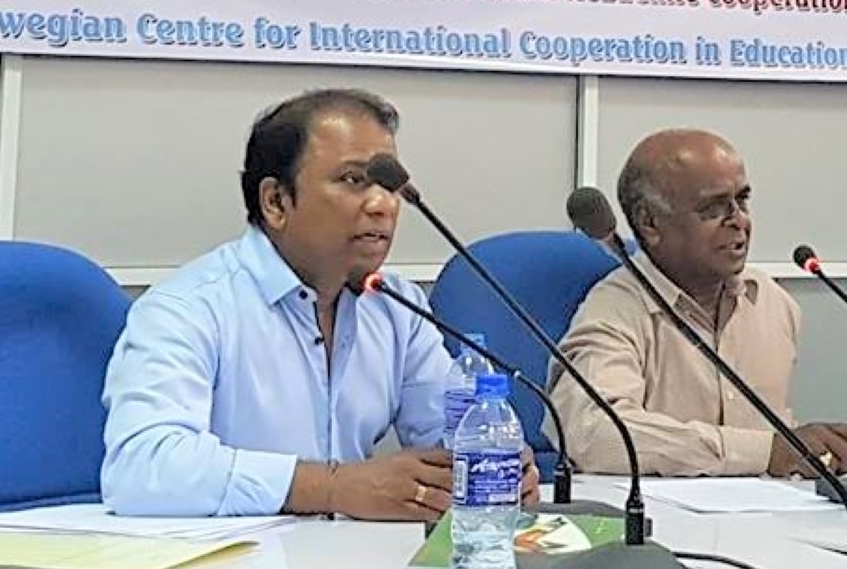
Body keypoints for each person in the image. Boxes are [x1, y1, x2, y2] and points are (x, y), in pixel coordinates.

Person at [100, 89, 537, 518]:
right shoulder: (186, 308)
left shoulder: (398, 307)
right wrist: (330, 487)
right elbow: (142, 468)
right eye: (353, 180)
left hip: (355, 559)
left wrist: (493, 464)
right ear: (276, 202)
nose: (382, 205)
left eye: (389, 186)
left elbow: (448, 435)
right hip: (235, 562)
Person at [549, 128, 847, 477]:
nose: (739, 221)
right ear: (649, 222)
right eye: (713, 208)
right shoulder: (613, 311)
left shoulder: (772, 303)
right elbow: (596, 434)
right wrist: (765, 451)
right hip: (653, 511)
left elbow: (779, 448)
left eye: (742, 201)